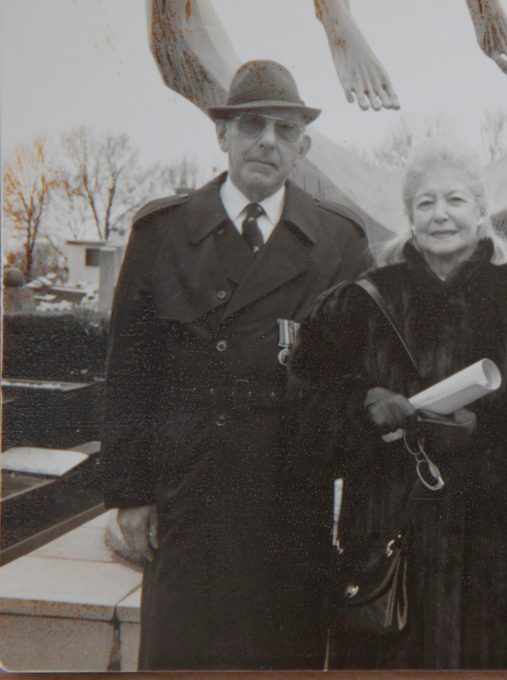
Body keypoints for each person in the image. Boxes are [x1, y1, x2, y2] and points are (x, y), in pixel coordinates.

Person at [99, 59, 373, 670]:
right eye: (252, 125)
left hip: (288, 505)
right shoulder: (160, 234)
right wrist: (131, 494)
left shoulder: (338, 243)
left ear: (301, 147)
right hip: (186, 499)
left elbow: (352, 389)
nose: (267, 142)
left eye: (284, 130)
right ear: (222, 134)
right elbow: (129, 377)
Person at [291, 143, 507, 669]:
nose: (440, 214)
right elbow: (307, 406)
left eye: (455, 200)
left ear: (482, 212)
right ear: (410, 218)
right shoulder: (358, 302)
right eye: (425, 203)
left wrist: (483, 434)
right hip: (387, 539)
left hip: (490, 547)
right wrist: (362, 407)